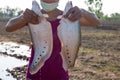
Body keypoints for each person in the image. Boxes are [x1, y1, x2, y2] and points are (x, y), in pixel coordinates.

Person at [5, 0, 100, 80]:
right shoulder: (33, 17)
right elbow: (8, 27)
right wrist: (23, 18)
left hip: (60, 75)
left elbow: (96, 22)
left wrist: (83, 12)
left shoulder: (69, 18)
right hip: (35, 75)